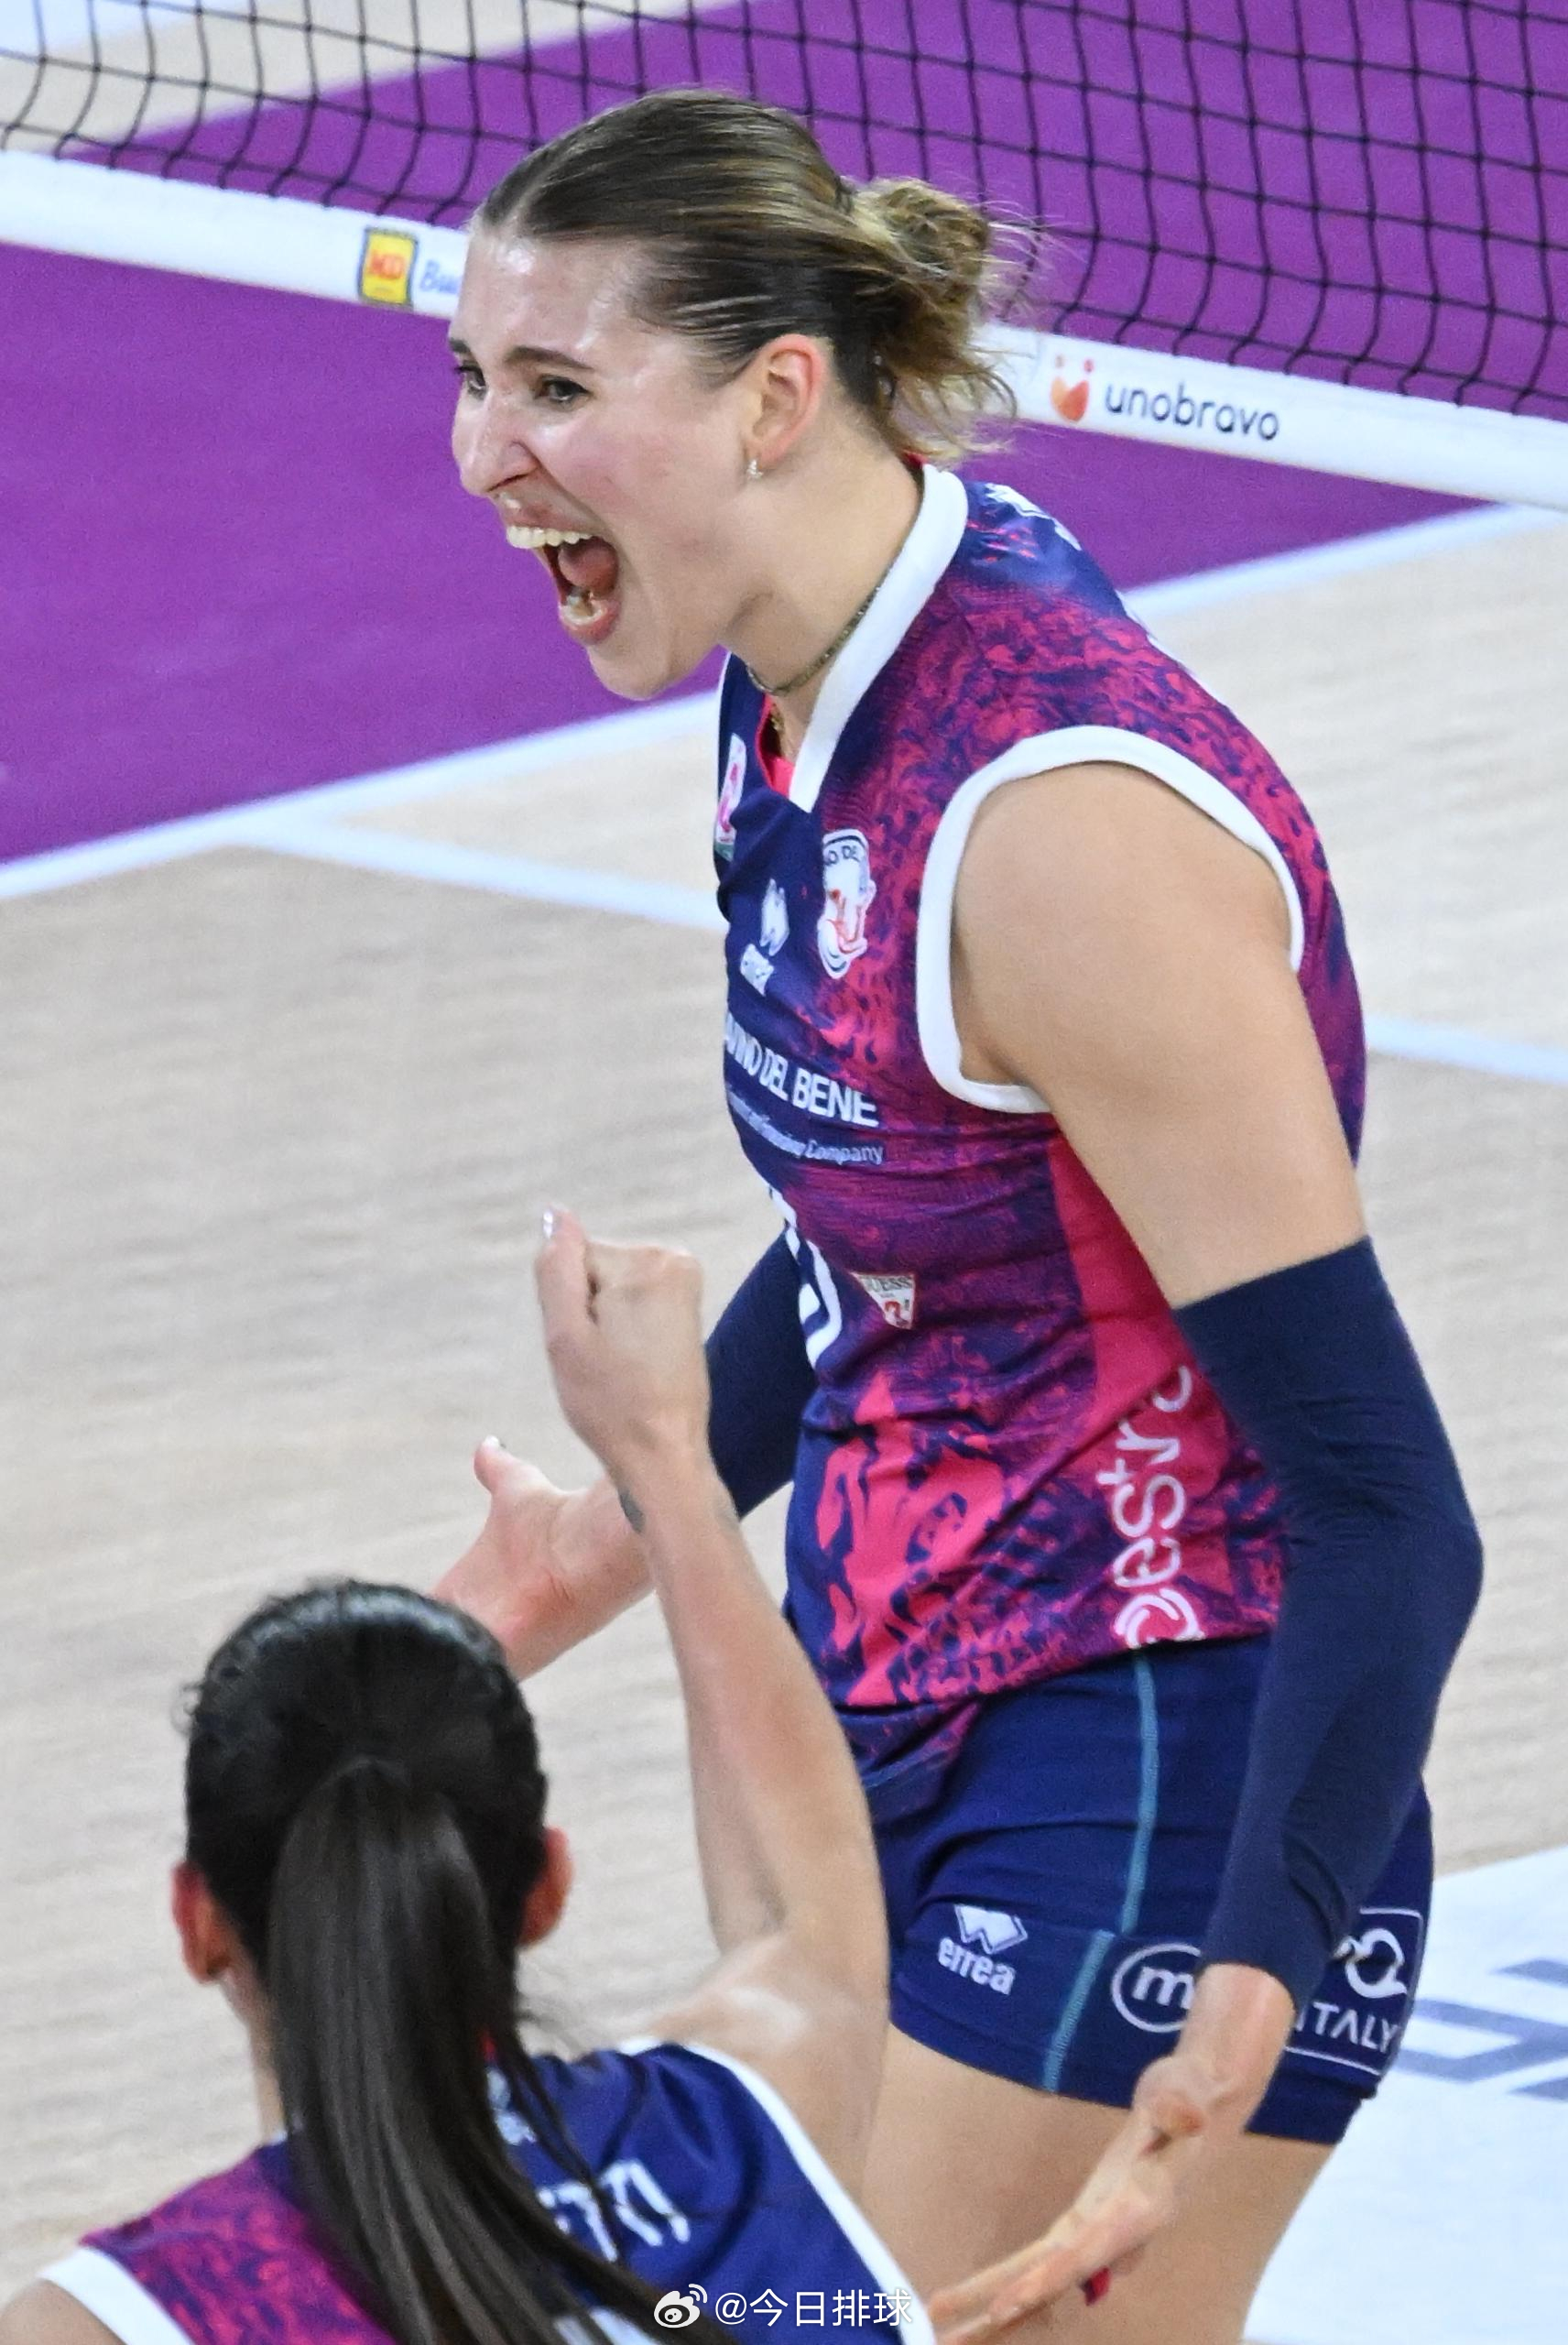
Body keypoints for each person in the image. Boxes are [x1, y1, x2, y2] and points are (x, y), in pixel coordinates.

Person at [438, 85, 1485, 2345]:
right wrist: (595, 1536)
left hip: (1151, 1766)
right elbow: (894, 1237)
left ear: (773, 398)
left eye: (554, 386)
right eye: (471, 377)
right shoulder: (799, 675)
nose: (483, 453)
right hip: (909, 1703)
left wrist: (1246, 1980)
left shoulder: (1055, 827)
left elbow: (1390, 1504)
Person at [1, 1216, 929, 2345]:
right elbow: (801, 1912)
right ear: (544, 1886)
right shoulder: (743, 2126)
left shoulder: (114, 2320)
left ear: (196, 1922)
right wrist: (666, 1456)